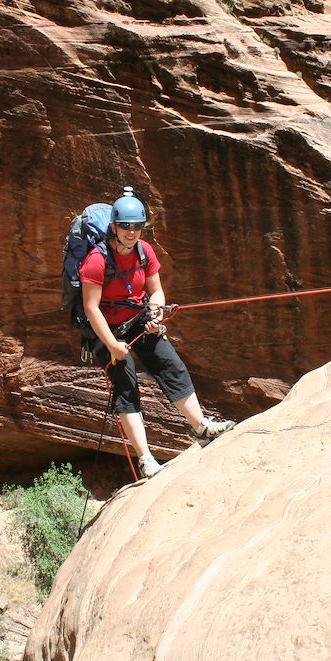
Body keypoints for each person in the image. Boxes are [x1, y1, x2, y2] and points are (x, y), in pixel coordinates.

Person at [80, 187, 235, 478]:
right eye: (125, 226)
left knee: (170, 365)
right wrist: (113, 345)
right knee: (125, 384)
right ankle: (146, 459)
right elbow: (91, 308)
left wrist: (155, 312)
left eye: (137, 226)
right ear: (113, 227)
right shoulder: (96, 261)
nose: (131, 232)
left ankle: (201, 428)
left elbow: (157, 292)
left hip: (138, 319)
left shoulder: (144, 251)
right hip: (105, 328)